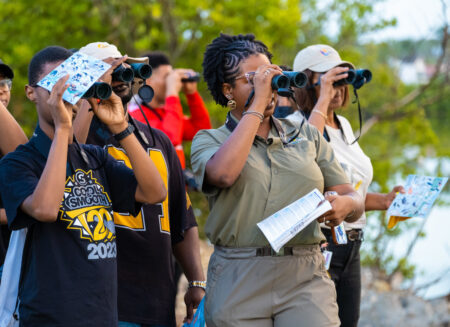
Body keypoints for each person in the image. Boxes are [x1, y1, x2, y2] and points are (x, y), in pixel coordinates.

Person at [191, 33, 365, 327]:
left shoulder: (307, 135)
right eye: (254, 79)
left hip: (305, 272)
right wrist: (257, 105)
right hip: (238, 274)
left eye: (271, 77)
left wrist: (345, 205)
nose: (268, 87)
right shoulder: (208, 140)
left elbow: (353, 196)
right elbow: (223, 174)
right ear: (227, 89)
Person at [0, 46, 166, 326]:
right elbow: (45, 209)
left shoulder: (94, 157)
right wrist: (63, 128)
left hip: (102, 314)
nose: (64, 93)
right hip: (49, 316)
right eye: (55, 83)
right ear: (30, 92)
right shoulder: (19, 162)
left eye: (72, 82)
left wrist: (121, 128)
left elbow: (154, 193)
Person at [75, 42, 205, 327]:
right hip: (96, 299)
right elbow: (69, 154)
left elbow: (182, 217)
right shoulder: (74, 137)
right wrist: (90, 94)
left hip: (155, 297)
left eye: (123, 68)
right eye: (109, 68)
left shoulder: (159, 141)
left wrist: (196, 279)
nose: (119, 75)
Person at [287, 44, 404, 327]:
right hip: (319, 246)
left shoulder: (345, 126)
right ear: (307, 83)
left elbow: (351, 191)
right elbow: (306, 154)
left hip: (351, 244)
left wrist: (386, 201)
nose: (338, 88)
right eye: (329, 80)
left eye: (342, 79)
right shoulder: (292, 125)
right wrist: (322, 99)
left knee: (348, 322)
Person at [128, 51, 211, 169]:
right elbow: (169, 139)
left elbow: (201, 130)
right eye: (167, 77)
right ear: (148, 81)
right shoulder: (134, 115)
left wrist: (192, 94)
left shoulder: (166, 112)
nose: (171, 81)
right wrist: (172, 93)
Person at [0, 59, 28, 280]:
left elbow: (23, 162)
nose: (2, 88)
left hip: (11, 258)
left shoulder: (10, 131)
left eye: (5, 82)